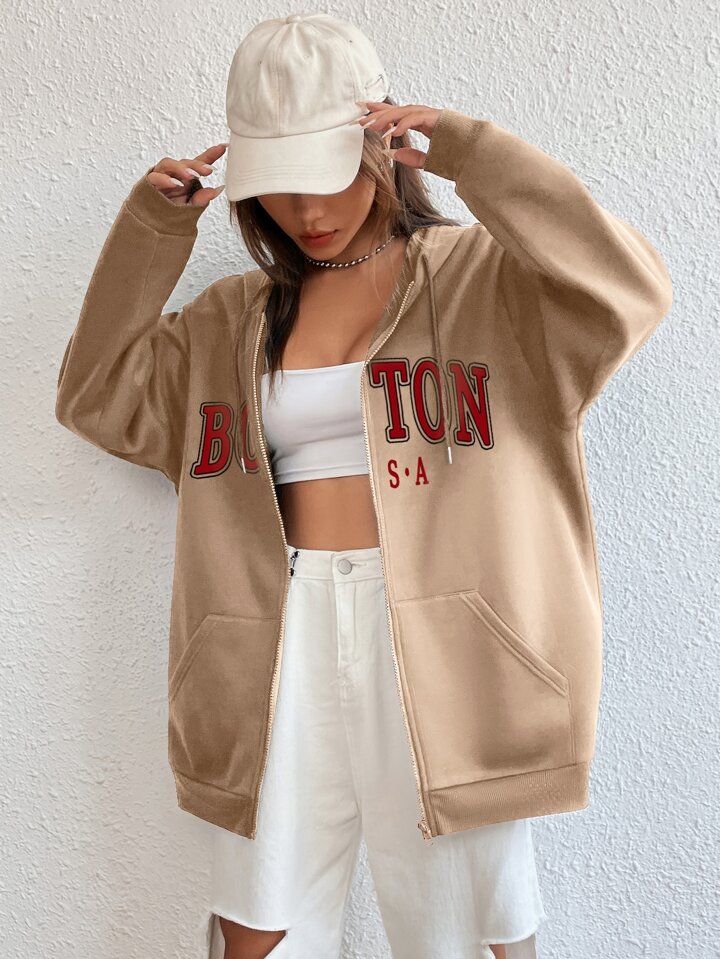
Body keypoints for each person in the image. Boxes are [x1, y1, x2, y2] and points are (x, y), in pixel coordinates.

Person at [55, 12, 673, 959]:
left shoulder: (491, 284)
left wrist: (474, 153)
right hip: (271, 638)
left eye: (327, 170)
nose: (307, 209)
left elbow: (629, 290)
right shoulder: (231, 318)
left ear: (381, 142)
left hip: (449, 647)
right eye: (277, 183)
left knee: (468, 936)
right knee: (258, 935)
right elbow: (95, 395)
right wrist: (151, 232)